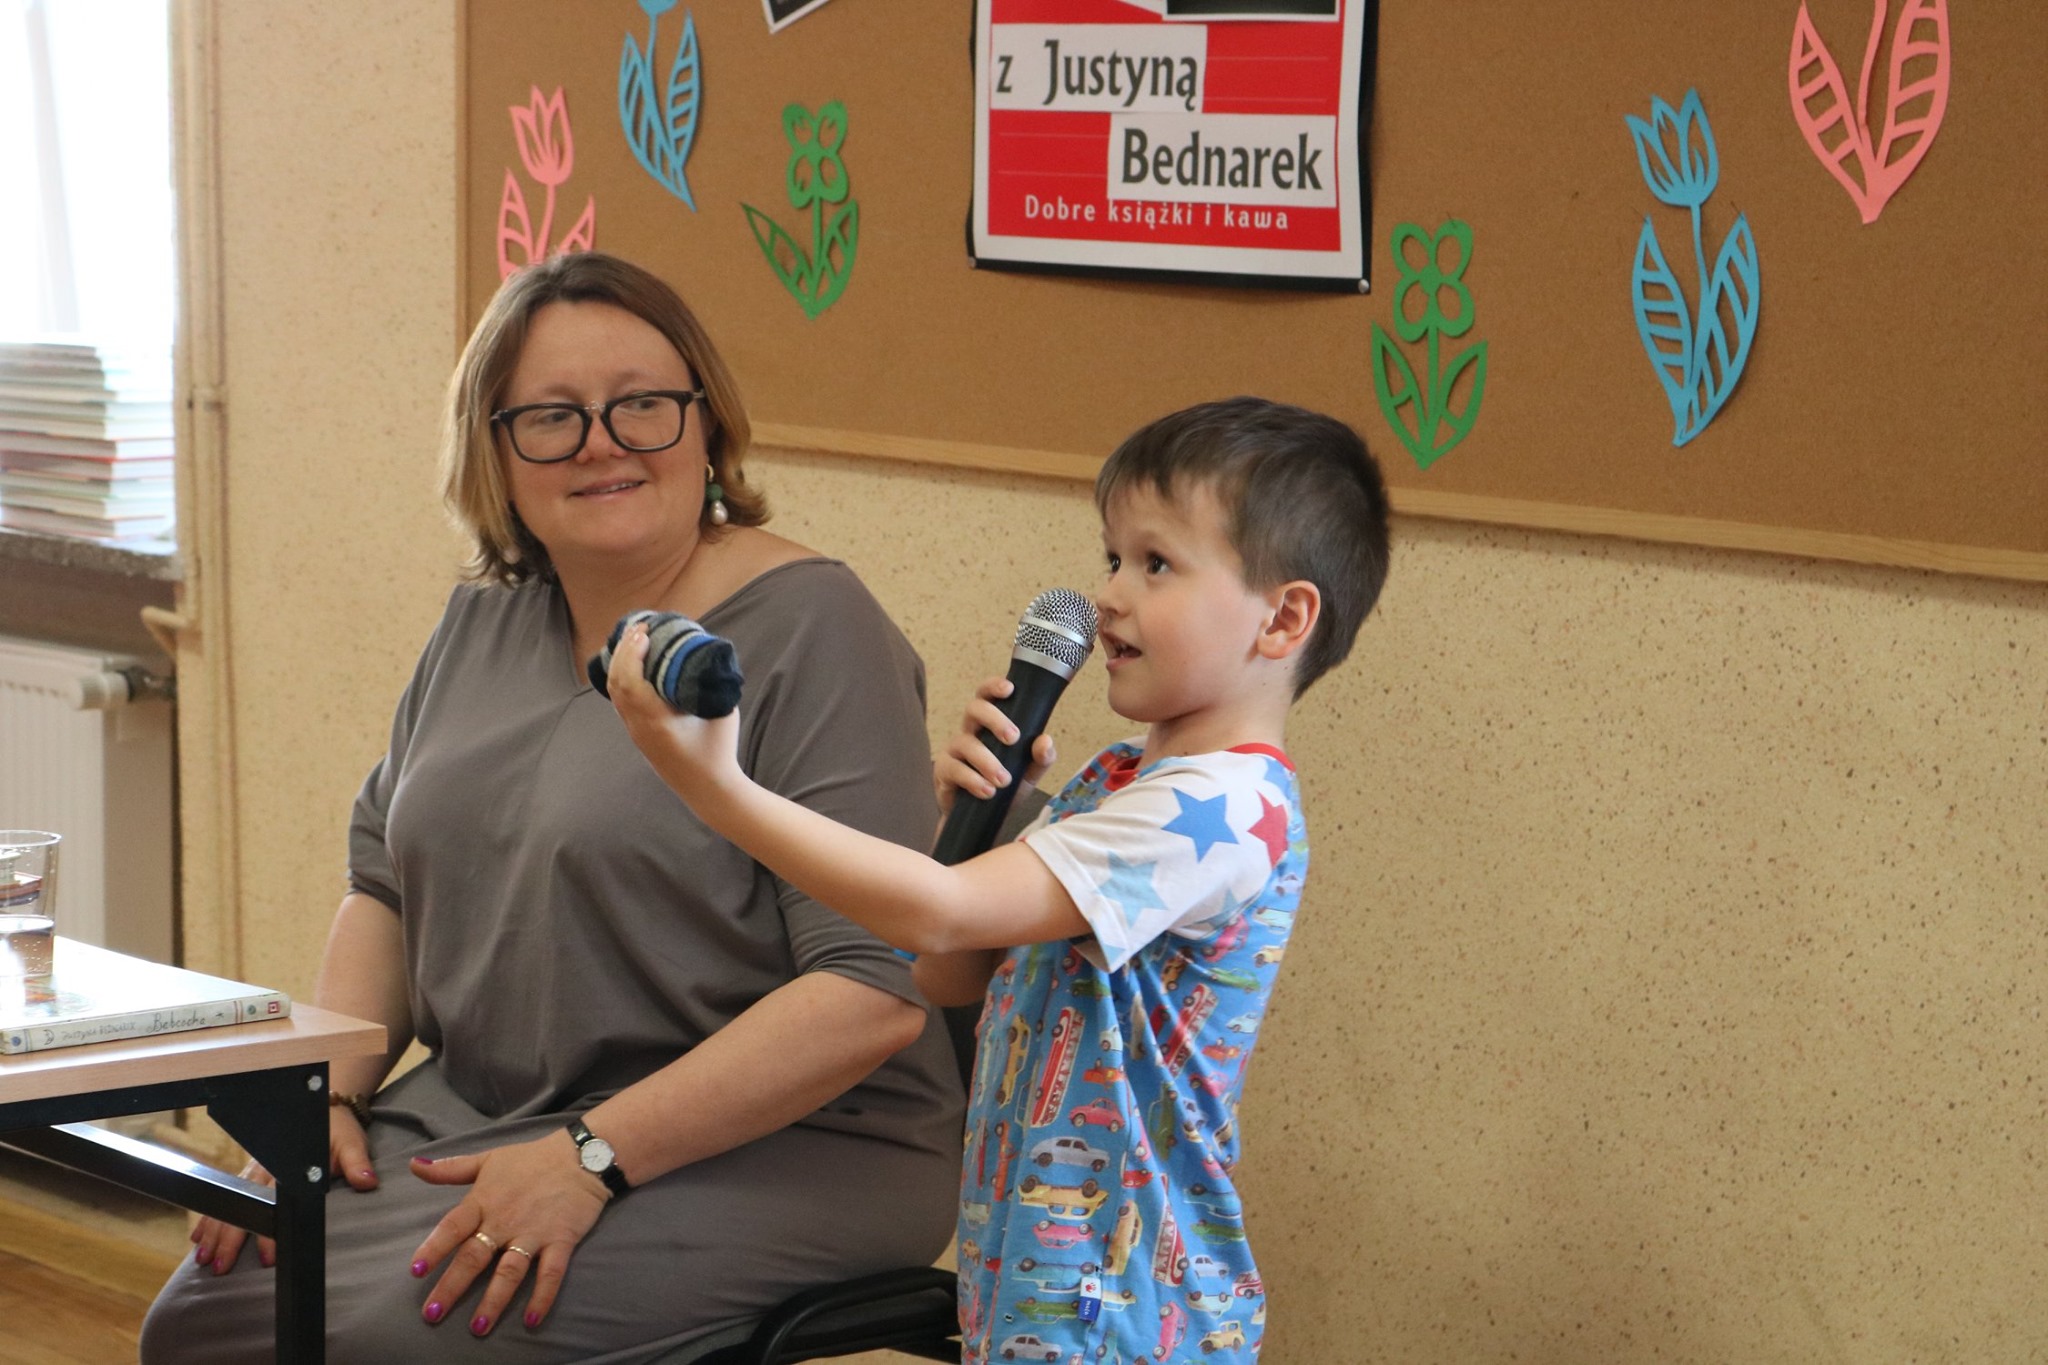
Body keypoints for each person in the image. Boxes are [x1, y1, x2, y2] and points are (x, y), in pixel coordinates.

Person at [140, 252, 963, 1364]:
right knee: (207, 1320)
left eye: (643, 404)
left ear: (707, 424)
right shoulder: (483, 622)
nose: (602, 443)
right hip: (487, 1110)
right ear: (495, 452)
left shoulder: (817, 627)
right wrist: (324, 1099)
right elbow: (384, 885)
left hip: (790, 1142)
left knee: (397, 1344)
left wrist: (592, 1156)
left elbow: (870, 994)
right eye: (551, 417)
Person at [607, 396, 1391, 1364]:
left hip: (1115, 1316)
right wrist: (969, 822)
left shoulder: (1223, 811)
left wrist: (716, 788)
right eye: (1112, 557)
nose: (1108, 595)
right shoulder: (1115, 785)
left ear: (1283, 618)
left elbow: (935, 918)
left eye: (1155, 564)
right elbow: (941, 973)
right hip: (1027, 1286)